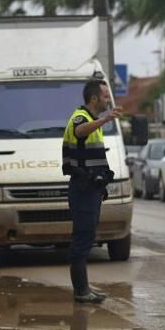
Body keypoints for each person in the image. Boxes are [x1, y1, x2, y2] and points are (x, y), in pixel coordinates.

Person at [62, 79, 122, 303]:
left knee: (87, 237)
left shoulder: (92, 120)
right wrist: (105, 119)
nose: (108, 100)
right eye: (106, 97)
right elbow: (79, 130)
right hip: (82, 189)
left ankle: (84, 289)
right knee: (82, 238)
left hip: (91, 190)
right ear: (95, 98)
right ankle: (81, 291)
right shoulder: (81, 118)